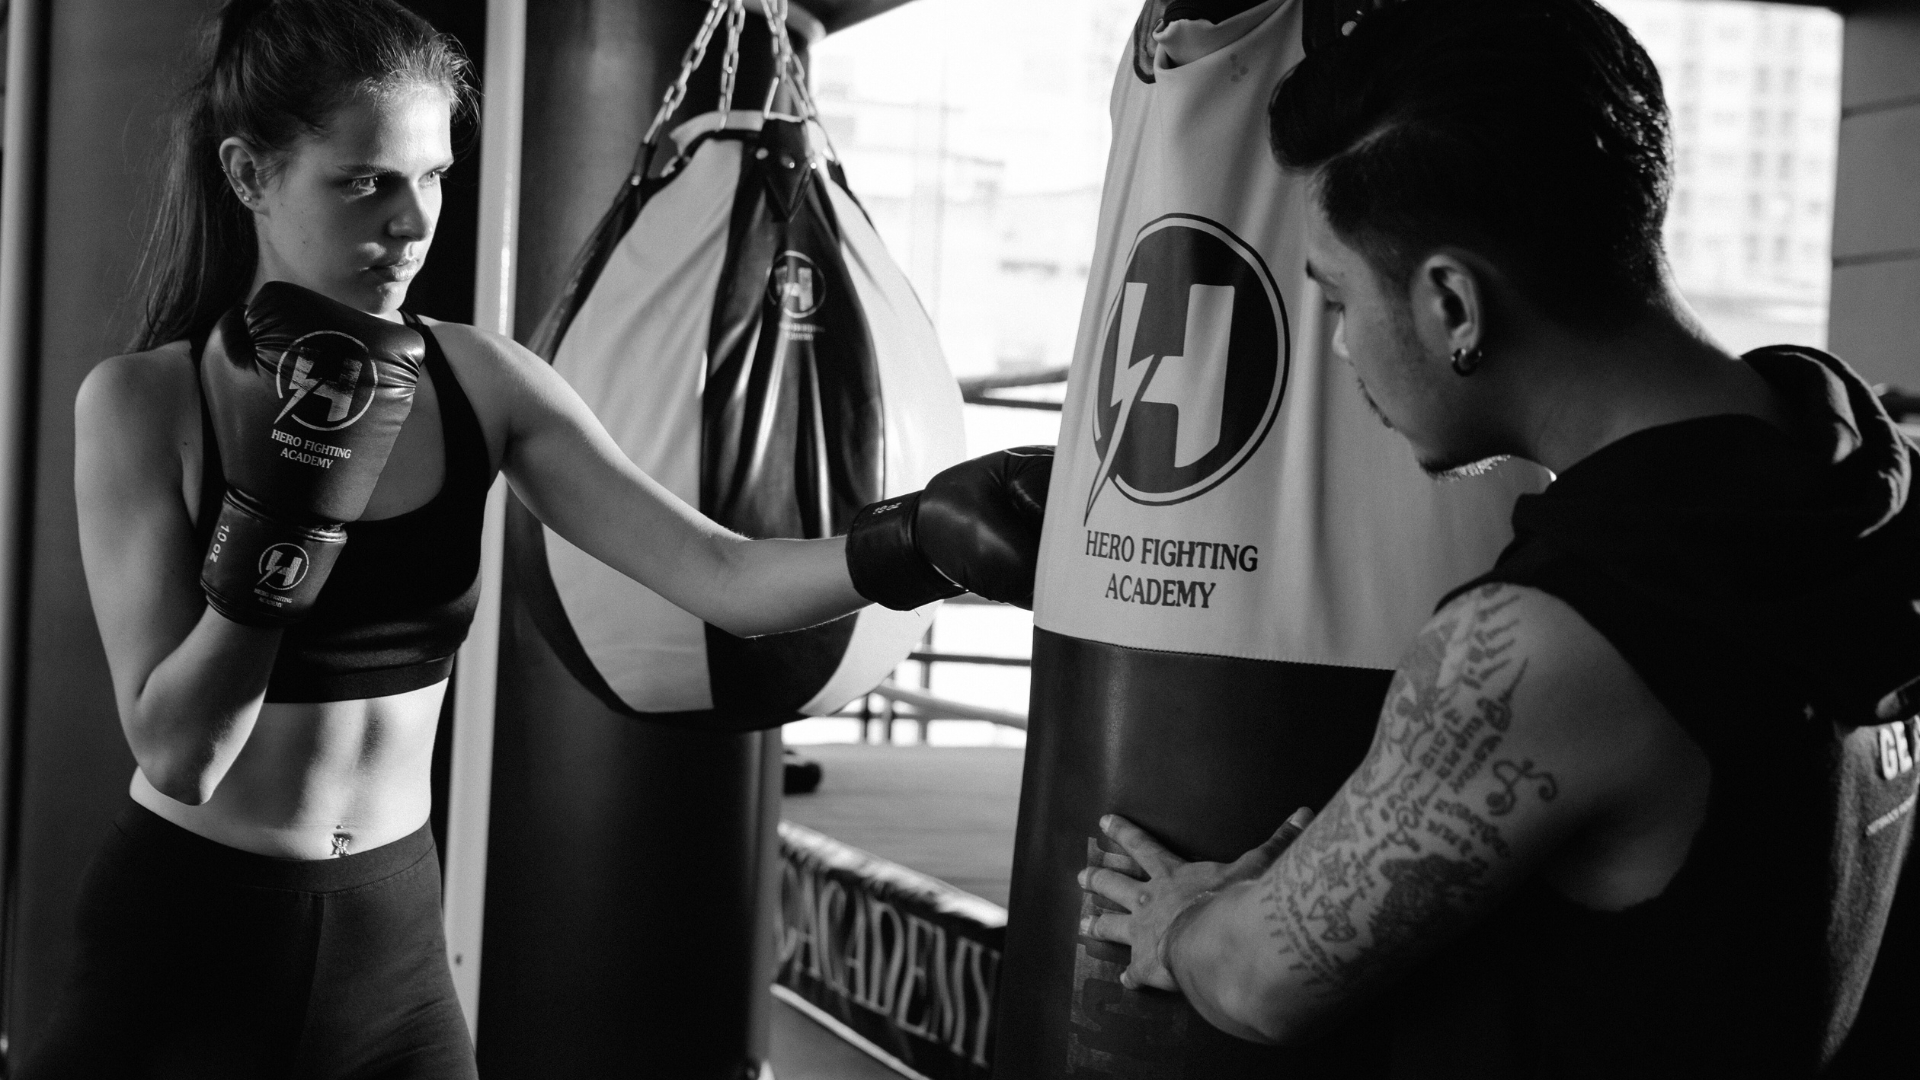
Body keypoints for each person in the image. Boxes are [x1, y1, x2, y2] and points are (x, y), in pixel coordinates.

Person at [30, 1, 1045, 1076]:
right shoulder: (146, 403)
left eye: (431, 177)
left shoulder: (484, 382)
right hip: (186, 945)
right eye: (365, 182)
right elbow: (181, 756)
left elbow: (722, 575)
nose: (412, 224)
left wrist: (916, 541)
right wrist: (286, 520)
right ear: (248, 173)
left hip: (390, 954)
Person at [1077, 0, 1920, 1074]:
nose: (1338, 349)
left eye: (1336, 300)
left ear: (1453, 306)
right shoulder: (1856, 478)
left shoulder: (1548, 644)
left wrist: (1186, 923)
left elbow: (1259, 982)